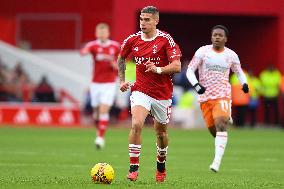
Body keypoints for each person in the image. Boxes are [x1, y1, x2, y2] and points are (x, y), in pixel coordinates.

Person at [117, 6, 181, 182]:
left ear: (156, 21)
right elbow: (121, 58)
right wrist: (122, 80)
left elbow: (177, 66)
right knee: (136, 124)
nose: (143, 23)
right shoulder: (132, 40)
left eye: (147, 20)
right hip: (141, 91)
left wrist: (158, 69)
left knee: (161, 134)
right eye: (141, 19)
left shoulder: (165, 40)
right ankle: (133, 168)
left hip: (162, 94)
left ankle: (161, 165)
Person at [186, 25, 249, 172]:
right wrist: (196, 85)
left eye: (220, 35)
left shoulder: (231, 55)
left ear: (225, 38)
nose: (217, 37)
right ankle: (226, 117)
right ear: (211, 36)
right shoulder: (203, 52)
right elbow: (190, 70)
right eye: (214, 35)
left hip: (222, 95)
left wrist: (244, 83)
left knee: (220, 124)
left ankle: (216, 162)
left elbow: (238, 72)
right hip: (205, 97)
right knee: (214, 131)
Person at [80, 23, 120, 149]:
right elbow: (83, 51)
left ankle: (100, 138)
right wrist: (85, 51)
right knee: (96, 112)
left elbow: (121, 62)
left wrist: (116, 66)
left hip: (109, 83)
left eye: (104, 32)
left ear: (108, 33)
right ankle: (99, 130)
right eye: (100, 32)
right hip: (95, 83)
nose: (102, 34)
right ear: (97, 33)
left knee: (103, 109)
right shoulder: (93, 45)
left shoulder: (115, 46)